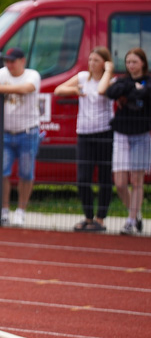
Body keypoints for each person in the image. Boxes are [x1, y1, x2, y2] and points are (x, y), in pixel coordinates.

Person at [54, 47, 114, 232]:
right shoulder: (82, 77)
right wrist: (75, 89)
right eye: (90, 60)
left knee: (104, 177)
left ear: (104, 63)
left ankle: (101, 218)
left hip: (104, 132)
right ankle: (88, 217)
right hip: (85, 133)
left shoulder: (110, 81)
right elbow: (58, 90)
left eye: (96, 60)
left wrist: (109, 70)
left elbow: (103, 89)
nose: (91, 64)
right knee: (83, 178)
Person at [0, 47, 42, 226]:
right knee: (0, 172)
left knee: (26, 173)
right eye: (7, 61)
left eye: (12, 61)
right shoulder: (2, 72)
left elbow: (26, 88)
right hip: (6, 133)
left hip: (28, 132)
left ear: (22, 61)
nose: (9, 65)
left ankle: (21, 211)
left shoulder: (32, 75)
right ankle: (4, 210)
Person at [100, 47, 151, 235]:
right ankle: (135, 213)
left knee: (137, 180)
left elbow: (144, 95)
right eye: (128, 62)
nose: (131, 65)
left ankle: (130, 220)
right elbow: (111, 92)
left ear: (143, 63)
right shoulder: (124, 81)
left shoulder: (148, 81)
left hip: (141, 134)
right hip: (122, 133)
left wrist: (134, 92)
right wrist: (133, 89)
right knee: (120, 182)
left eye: (134, 62)